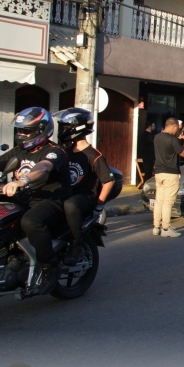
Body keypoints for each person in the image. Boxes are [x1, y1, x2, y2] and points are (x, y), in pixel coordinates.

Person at [0, 107, 71, 295]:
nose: (22, 134)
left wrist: (22, 181)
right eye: (20, 130)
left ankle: (49, 265)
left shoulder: (54, 151)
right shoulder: (18, 151)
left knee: (30, 221)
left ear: (42, 130)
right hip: (23, 197)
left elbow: (43, 168)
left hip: (50, 199)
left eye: (27, 131)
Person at [55, 108, 115, 265]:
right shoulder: (65, 152)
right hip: (67, 193)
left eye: (66, 127)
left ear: (77, 128)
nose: (63, 130)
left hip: (85, 197)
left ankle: (78, 243)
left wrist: (99, 205)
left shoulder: (94, 155)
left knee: (71, 204)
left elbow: (108, 181)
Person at [153, 117, 184, 237]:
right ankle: (166, 228)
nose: (177, 131)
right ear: (173, 126)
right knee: (168, 202)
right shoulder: (172, 139)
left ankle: (156, 226)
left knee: (159, 201)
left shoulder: (157, 137)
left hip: (159, 172)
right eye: (177, 129)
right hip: (170, 173)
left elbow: (168, 148)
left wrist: (177, 140)